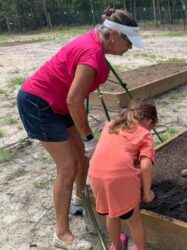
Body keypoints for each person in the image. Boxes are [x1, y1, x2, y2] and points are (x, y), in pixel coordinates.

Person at [16, 7, 144, 249]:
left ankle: (79, 199)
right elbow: (74, 100)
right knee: (68, 166)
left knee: (82, 159)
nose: (131, 48)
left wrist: (86, 142)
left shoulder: (98, 43)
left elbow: (73, 98)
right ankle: (61, 234)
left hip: (58, 102)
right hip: (38, 103)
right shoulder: (92, 54)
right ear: (115, 35)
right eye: (129, 42)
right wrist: (88, 138)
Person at [89, 99, 157, 250]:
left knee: (111, 213)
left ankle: (116, 245)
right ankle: (141, 248)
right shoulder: (144, 133)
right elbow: (145, 165)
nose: (150, 129)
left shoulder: (110, 125)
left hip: (95, 174)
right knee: (134, 219)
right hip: (119, 177)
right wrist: (147, 192)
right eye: (152, 126)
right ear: (148, 121)